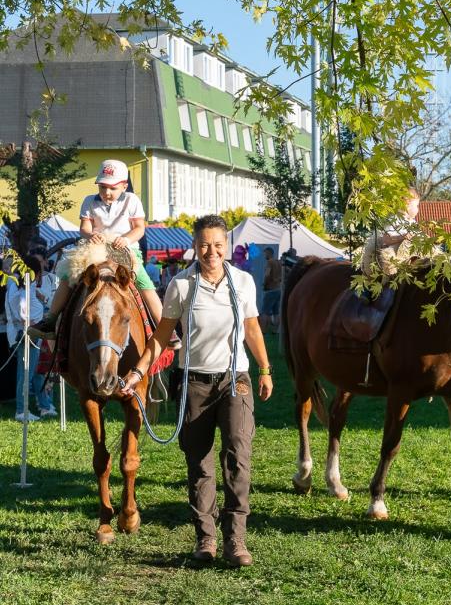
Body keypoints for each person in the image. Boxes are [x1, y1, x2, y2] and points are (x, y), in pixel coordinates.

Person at [120, 215, 274, 567]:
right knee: (199, 461)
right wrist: (138, 370)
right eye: (204, 245)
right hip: (194, 382)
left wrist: (265, 369)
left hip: (235, 379)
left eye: (218, 245)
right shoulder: (181, 285)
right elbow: (162, 336)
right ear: (195, 245)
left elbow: (252, 328)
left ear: (226, 247)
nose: (211, 252)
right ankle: (206, 538)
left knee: (238, 456)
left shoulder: (243, 282)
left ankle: (236, 540)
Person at [29, 160, 169, 341]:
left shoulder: (132, 200)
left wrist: (126, 239)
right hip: (96, 250)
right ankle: (50, 319)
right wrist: (91, 235)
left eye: (112, 188)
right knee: (68, 276)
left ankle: (165, 327)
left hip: (125, 249)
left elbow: (139, 228)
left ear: (124, 186)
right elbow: (84, 228)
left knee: (145, 283)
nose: (107, 192)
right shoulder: (89, 201)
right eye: (102, 187)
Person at [5, 255, 56, 421]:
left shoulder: (24, 285)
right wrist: (33, 325)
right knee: (26, 373)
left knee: (32, 372)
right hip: (29, 333)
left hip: (29, 332)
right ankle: (21, 410)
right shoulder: (24, 286)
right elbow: (22, 309)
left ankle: (43, 405)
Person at [361, 185, 422, 277]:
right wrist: (402, 237)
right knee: (389, 260)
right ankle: (389, 281)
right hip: (394, 252)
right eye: (416, 206)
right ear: (406, 204)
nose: (418, 209)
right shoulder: (394, 219)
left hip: (408, 254)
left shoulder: (413, 223)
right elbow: (386, 239)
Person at [261, 247, 282, 333]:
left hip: (270, 289)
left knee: (264, 312)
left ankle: (263, 331)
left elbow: (267, 275)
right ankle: (275, 331)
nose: (264, 255)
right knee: (276, 312)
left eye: (265, 253)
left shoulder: (270, 262)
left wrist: (264, 284)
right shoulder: (279, 262)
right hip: (278, 289)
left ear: (269, 253)